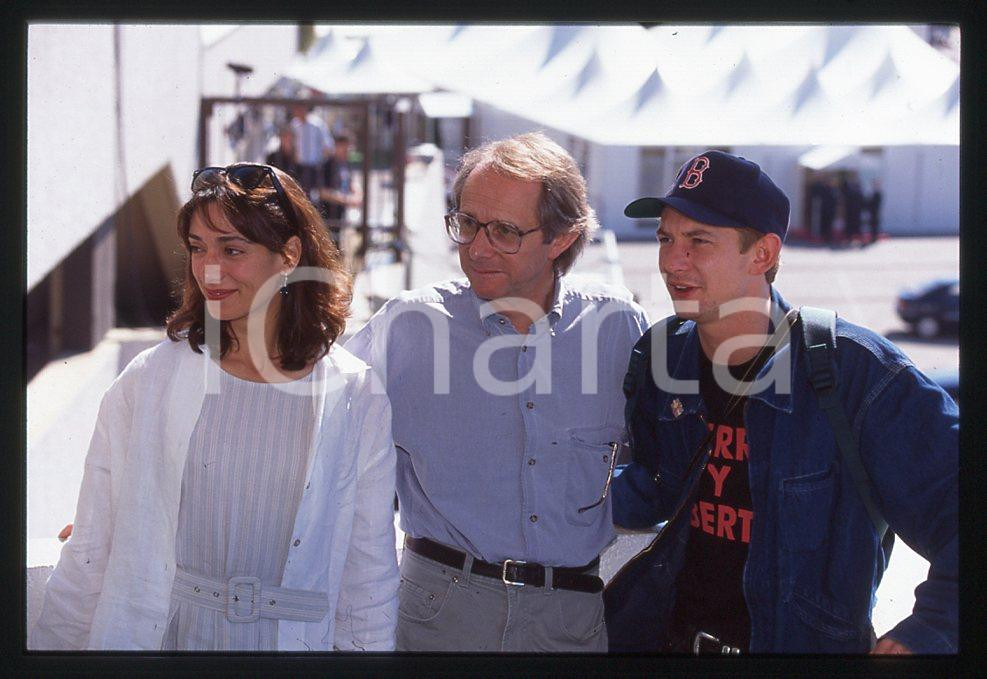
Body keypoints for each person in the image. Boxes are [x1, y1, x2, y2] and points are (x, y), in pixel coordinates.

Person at [31, 163, 399, 651]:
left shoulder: (356, 393)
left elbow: (369, 575)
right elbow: (91, 548)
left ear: (290, 254)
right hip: (170, 644)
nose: (209, 269)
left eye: (232, 249)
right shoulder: (149, 379)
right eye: (198, 248)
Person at [605, 150, 957, 654]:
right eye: (665, 238)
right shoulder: (664, 354)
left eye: (698, 241)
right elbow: (657, 489)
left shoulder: (853, 372)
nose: (671, 261)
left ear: (763, 254)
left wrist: (930, 630)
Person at [345, 132, 650, 652]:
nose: (477, 248)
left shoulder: (618, 327)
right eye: (467, 223)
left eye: (505, 231)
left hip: (571, 623)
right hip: (436, 616)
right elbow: (325, 444)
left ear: (561, 238)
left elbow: (658, 463)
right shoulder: (408, 326)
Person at [318, 132, 362, 246]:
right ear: (337, 146)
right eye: (345, 148)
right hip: (329, 214)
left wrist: (357, 193)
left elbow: (350, 181)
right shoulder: (327, 165)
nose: (347, 151)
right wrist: (347, 200)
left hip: (341, 213)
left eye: (349, 148)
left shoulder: (345, 163)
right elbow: (323, 192)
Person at [290, 105, 334, 197]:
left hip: (314, 167)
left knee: (312, 197)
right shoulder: (294, 124)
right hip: (298, 167)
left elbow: (328, 146)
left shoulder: (317, 124)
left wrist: (320, 162)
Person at [866, 179, 883, 244]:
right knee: (872, 225)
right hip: (872, 212)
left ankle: (874, 237)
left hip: (875, 212)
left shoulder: (878, 193)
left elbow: (876, 203)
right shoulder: (872, 193)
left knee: (875, 225)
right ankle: (873, 236)